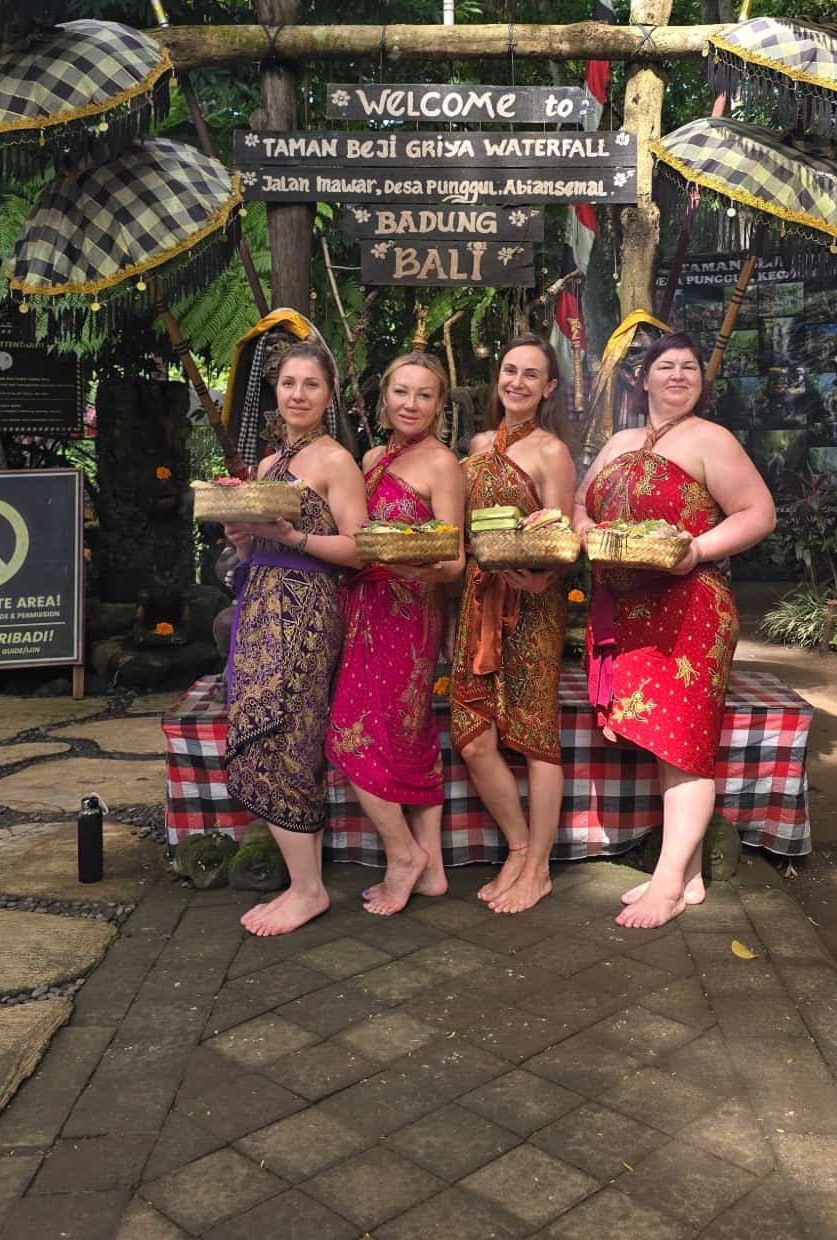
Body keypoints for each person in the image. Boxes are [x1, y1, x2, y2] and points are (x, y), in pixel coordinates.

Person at [575, 332, 775, 930]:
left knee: (683, 746)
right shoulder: (620, 441)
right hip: (626, 606)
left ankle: (664, 883)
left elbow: (758, 513)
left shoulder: (712, 440)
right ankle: (685, 871)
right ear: (644, 379)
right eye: (666, 366)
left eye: (690, 367)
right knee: (660, 741)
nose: (679, 376)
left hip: (690, 605)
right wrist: (587, 531)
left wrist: (695, 549)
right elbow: (583, 505)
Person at [223, 340, 366, 937]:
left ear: (328, 395)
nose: (298, 394)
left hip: (305, 609)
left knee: (289, 734)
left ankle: (308, 890)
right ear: (275, 391)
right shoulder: (265, 464)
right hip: (259, 604)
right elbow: (255, 545)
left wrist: (294, 536)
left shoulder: (336, 461)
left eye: (310, 384)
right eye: (288, 383)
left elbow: (359, 549)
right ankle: (299, 881)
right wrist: (241, 535)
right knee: (258, 732)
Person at [326, 351, 466, 916]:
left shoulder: (443, 464)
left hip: (408, 611)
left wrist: (398, 567)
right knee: (408, 737)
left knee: (351, 734)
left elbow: (454, 561)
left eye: (424, 394)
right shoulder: (371, 456)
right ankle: (429, 869)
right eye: (401, 392)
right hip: (362, 605)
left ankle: (402, 853)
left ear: (439, 404)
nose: (411, 404)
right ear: (384, 397)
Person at [451, 334, 576, 913]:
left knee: (534, 738)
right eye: (509, 370)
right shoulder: (476, 447)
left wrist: (542, 578)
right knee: (474, 738)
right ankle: (519, 847)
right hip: (479, 602)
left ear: (548, 388)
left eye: (532, 374)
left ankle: (540, 867)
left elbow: (565, 536)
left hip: (532, 605)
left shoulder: (552, 451)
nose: (517, 382)